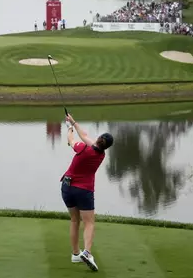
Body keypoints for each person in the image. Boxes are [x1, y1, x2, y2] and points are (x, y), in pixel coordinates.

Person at [61, 113, 114, 272]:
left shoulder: (83, 148)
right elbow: (84, 135)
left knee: (74, 220)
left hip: (67, 187)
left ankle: (76, 253)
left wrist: (69, 128)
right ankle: (87, 252)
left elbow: (72, 140)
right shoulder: (100, 154)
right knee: (89, 222)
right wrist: (74, 121)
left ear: (98, 139)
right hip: (84, 190)